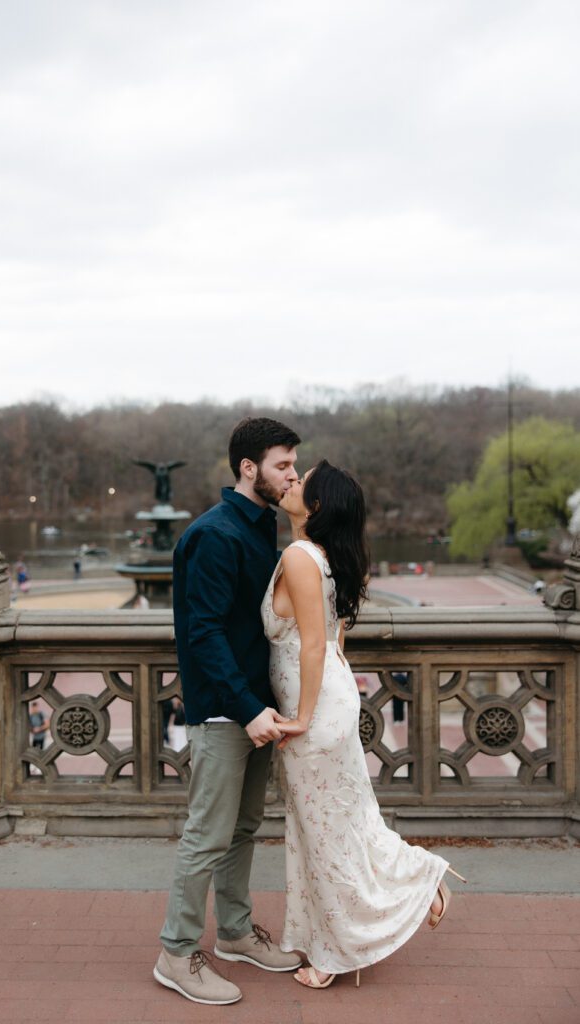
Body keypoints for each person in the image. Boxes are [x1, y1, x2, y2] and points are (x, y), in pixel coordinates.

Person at [264, 460, 465, 990]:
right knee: (343, 821)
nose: (291, 483)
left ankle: (335, 952)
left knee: (327, 830)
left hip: (315, 710)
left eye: (301, 481)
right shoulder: (328, 557)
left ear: (318, 505)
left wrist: (303, 716)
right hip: (331, 697)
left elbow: (312, 643)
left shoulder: (300, 556)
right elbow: (334, 639)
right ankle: (416, 883)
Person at [154, 417, 303, 1005]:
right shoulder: (215, 535)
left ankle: (236, 934)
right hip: (224, 712)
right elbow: (204, 634)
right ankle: (175, 951)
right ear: (249, 468)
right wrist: (247, 709)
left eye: (293, 464)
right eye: (283, 465)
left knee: (242, 829)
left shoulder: (258, 527)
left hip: (255, 709)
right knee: (207, 835)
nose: (292, 474)